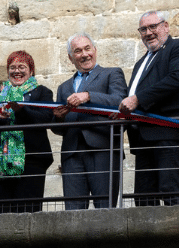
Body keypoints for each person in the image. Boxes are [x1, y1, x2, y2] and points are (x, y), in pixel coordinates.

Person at [118, 11, 179, 206]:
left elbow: (176, 79)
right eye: (143, 29)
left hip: (169, 132)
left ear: (166, 26)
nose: (148, 33)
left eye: (153, 27)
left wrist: (137, 99)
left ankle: (177, 236)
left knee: (168, 188)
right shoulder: (142, 62)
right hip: (143, 136)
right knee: (144, 196)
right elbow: (133, 95)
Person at [0, 51, 54, 213]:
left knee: (27, 211)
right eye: (12, 67)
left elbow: (46, 118)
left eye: (22, 67)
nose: (17, 71)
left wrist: (21, 110)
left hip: (31, 160)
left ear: (31, 71)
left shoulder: (42, 92)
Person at [53, 34, 127, 210]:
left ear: (95, 50)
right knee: (73, 212)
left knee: (105, 210)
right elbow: (58, 129)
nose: (84, 54)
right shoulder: (63, 87)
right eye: (78, 51)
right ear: (71, 58)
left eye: (87, 48)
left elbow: (120, 101)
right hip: (72, 154)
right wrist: (59, 117)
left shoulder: (112, 73)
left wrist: (88, 96)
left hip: (103, 151)